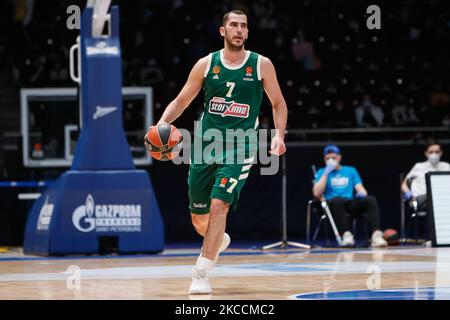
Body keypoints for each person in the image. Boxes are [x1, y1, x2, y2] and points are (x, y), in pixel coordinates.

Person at [152, 10, 287, 294]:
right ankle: (216, 240)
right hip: (206, 144)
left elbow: (278, 104)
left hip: (242, 144)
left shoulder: (261, 65)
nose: (239, 30)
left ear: (248, 33)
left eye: (244, 26)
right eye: (233, 25)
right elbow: (182, 100)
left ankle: (201, 272)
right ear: (222, 31)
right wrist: (163, 122)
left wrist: (278, 135)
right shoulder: (206, 64)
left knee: (219, 204)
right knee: (199, 217)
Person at [313, 144, 387, 247]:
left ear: (339, 157)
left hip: (349, 202)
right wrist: (326, 173)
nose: (330, 160)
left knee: (370, 199)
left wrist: (361, 193)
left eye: (333, 157)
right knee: (337, 200)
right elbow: (316, 193)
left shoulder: (350, 170)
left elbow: (362, 189)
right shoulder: (321, 172)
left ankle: (376, 235)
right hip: (332, 205)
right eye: (327, 158)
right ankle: (346, 235)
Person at [401, 139, 450, 211]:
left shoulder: (446, 166)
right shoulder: (419, 166)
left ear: (441, 152)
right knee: (432, 197)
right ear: (426, 153)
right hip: (421, 199)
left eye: (437, 152)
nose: (434, 154)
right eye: (431, 152)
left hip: (442, 198)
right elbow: (404, 184)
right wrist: (410, 194)